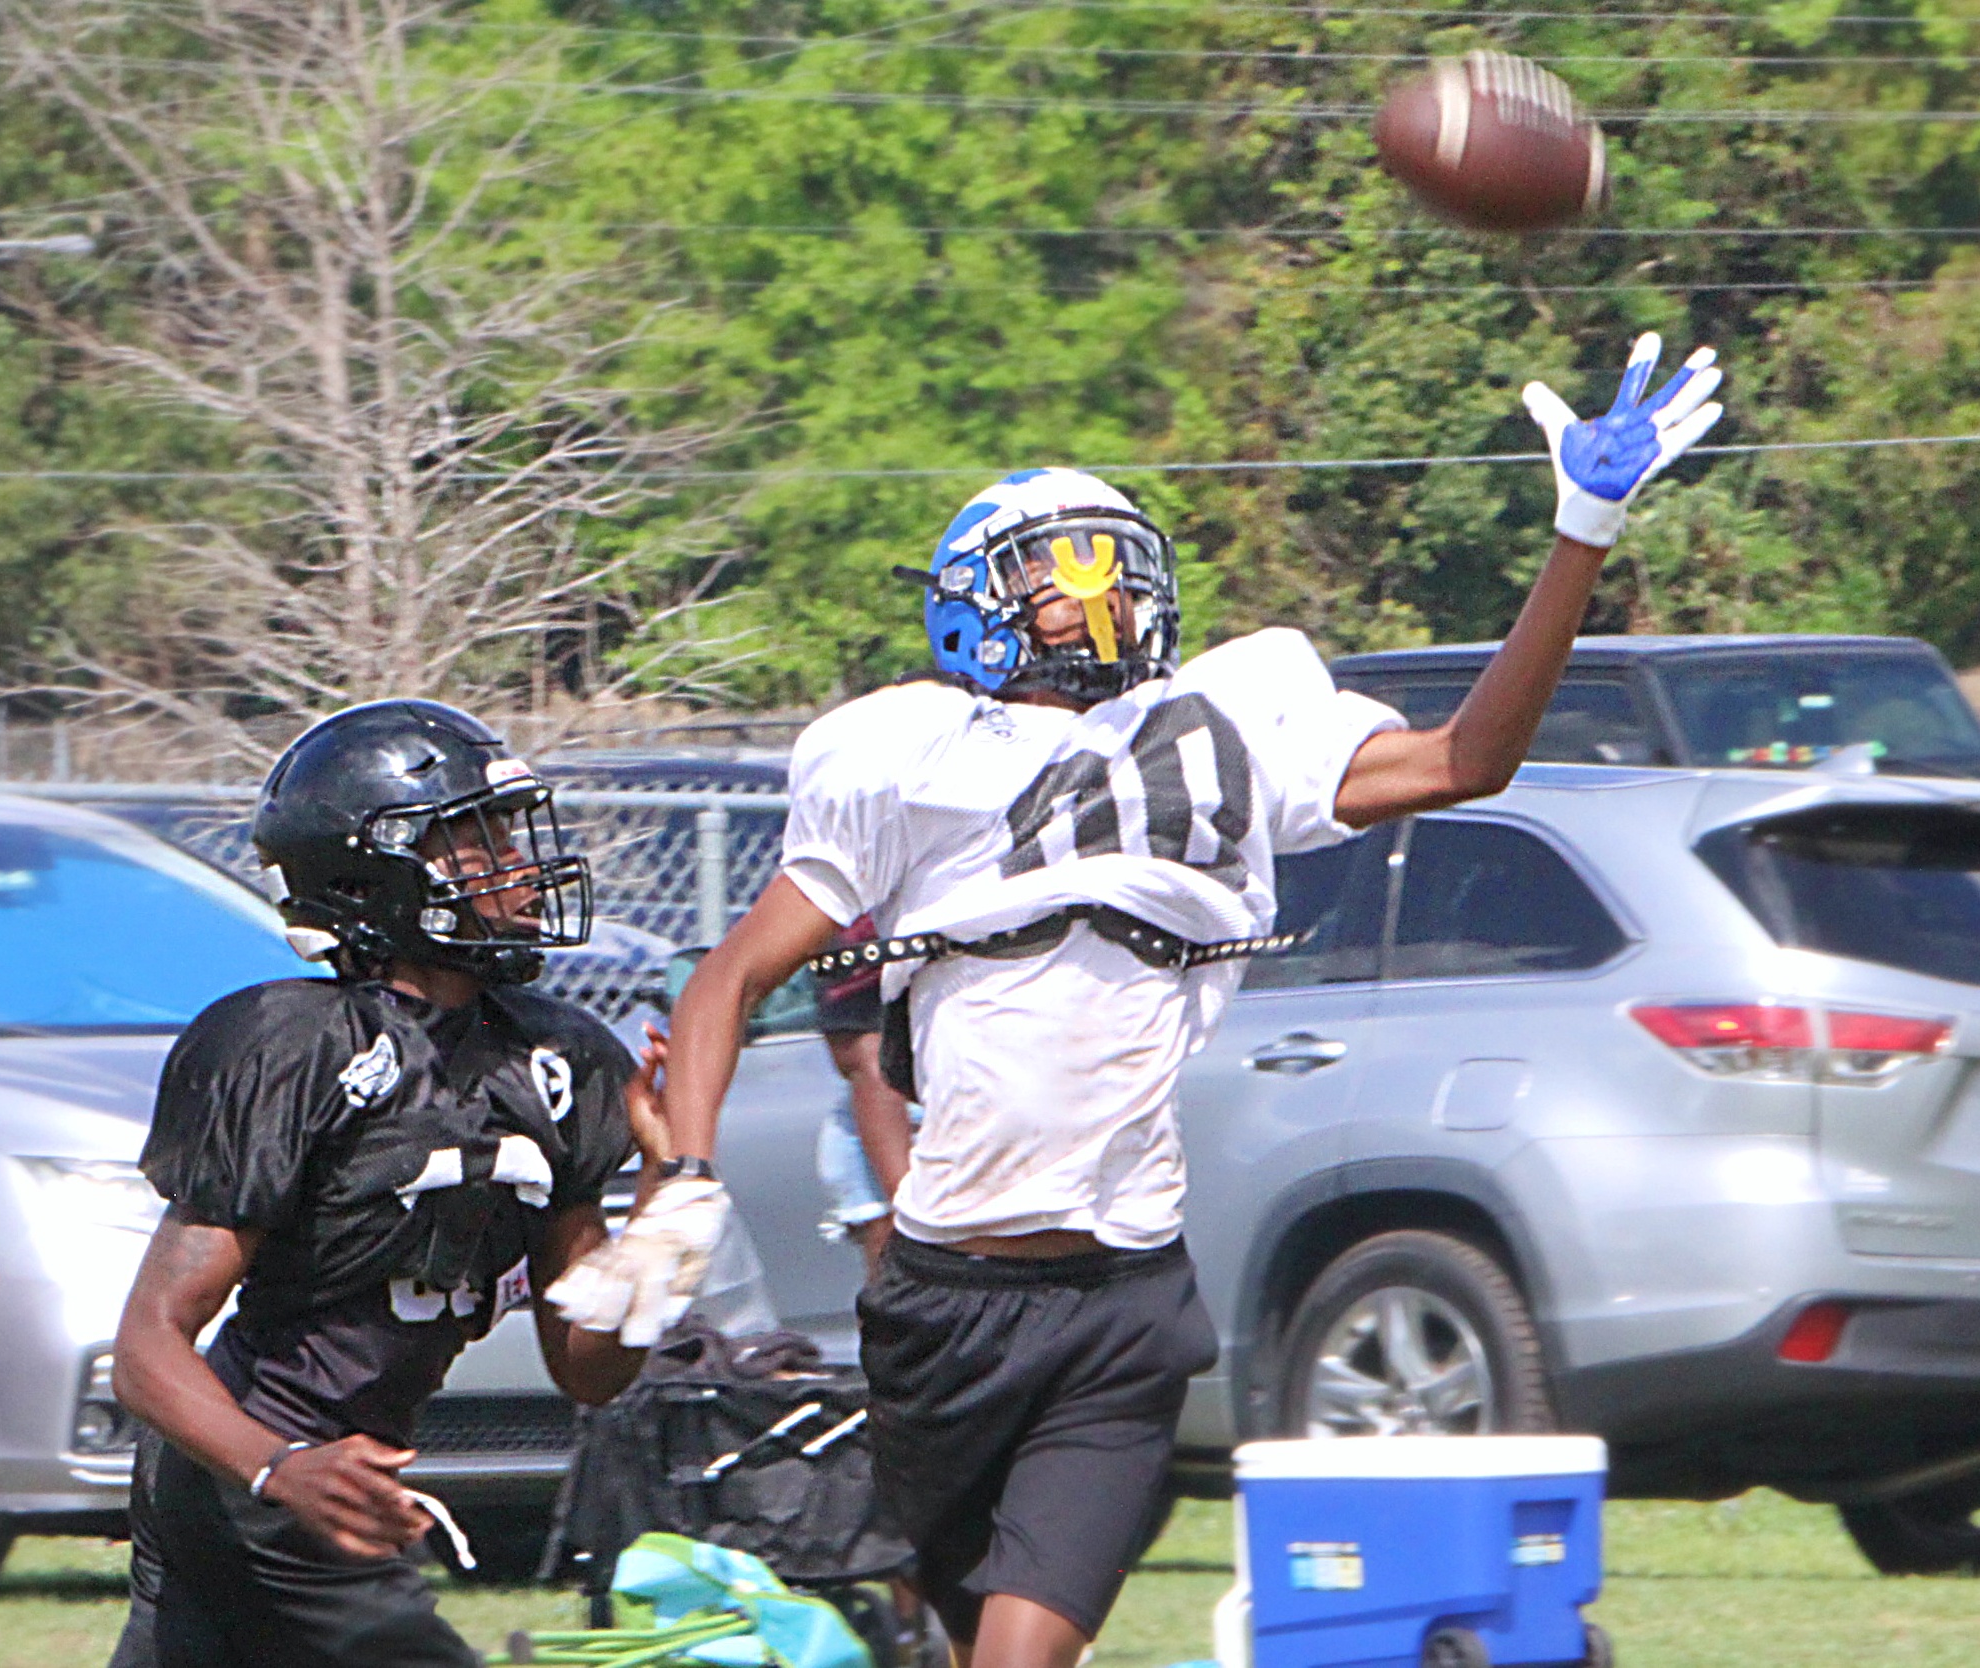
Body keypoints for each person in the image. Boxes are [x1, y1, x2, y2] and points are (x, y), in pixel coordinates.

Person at [551, 337, 1725, 1668]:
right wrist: (688, 1178)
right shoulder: (907, 756)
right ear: (974, 605)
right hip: (939, 1305)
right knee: (947, 1633)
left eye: (1109, 566)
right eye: (1056, 578)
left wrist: (1578, 532)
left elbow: (1468, 756)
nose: (1092, 597)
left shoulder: (1223, 721)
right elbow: (726, 980)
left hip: (1121, 1305)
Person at [105, 699, 667, 1668]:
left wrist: (667, 1192)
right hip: (258, 1466)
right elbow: (146, 1348)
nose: (520, 869)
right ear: (376, 871)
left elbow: (589, 1367)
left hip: (324, 1474)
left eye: (510, 837)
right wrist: (280, 1469)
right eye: (477, 844)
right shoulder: (294, 1049)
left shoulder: (556, 1059)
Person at [811, 916, 918, 1275]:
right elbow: (866, 1060)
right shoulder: (854, 918)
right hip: (899, 1115)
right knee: (897, 1258)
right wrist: (912, 1210)